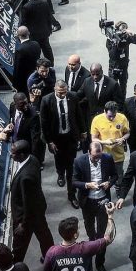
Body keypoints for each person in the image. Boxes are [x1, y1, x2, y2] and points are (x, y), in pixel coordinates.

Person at [72, 141, 118, 271]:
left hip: (103, 201)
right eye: (94, 157)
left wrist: (109, 183)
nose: (97, 159)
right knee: (90, 233)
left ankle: (99, 264)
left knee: (102, 235)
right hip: (87, 203)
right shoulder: (79, 161)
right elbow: (74, 181)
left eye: (99, 156)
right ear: (88, 152)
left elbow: (115, 176)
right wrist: (87, 185)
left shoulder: (108, 158)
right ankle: (90, 252)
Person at [40, 79, 86, 207]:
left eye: (64, 92)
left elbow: (79, 115)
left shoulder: (73, 97)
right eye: (60, 92)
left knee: (71, 166)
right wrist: (49, 141)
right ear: (55, 89)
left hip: (71, 137)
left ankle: (71, 194)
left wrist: (82, 131)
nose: (62, 95)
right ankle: (60, 174)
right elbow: (43, 123)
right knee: (59, 160)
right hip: (56, 138)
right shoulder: (46, 100)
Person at [9, 140, 54, 263]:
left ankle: (15, 268)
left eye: (13, 153)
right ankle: (50, 258)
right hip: (38, 208)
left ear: (22, 155)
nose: (10, 155)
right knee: (44, 235)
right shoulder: (32, 159)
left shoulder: (26, 178)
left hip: (26, 216)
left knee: (19, 245)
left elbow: (28, 202)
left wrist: (23, 224)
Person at [90, 101, 130, 197]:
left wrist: (123, 139)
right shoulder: (97, 120)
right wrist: (104, 142)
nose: (112, 118)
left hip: (118, 154)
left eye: (114, 115)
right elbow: (93, 138)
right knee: (103, 174)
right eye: (110, 116)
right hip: (103, 154)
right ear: (104, 111)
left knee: (119, 174)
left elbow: (127, 133)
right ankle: (103, 190)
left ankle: (118, 188)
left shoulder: (122, 118)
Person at [76, 63, 123, 130]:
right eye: (93, 74)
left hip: (107, 120)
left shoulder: (113, 84)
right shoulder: (87, 82)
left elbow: (119, 104)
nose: (95, 77)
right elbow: (79, 95)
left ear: (102, 72)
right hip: (91, 120)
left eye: (97, 74)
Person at [19, 0, 54, 64]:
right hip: (44, 31)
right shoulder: (45, 2)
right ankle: (51, 65)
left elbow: (24, 22)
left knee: (36, 52)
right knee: (47, 50)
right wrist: (49, 29)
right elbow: (49, 17)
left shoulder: (26, 7)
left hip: (33, 35)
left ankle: (39, 67)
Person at [105, 20, 136, 95]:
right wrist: (115, 43)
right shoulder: (110, 40)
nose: (123, 30)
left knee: (123, 88)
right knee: (112, 88)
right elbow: (112, 55)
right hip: (113, 68)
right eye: (122, 28)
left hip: (123, 67)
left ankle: (122, 103)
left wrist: (132, 34)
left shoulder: (127, 37)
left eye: (125, 28)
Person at [13, 26, 41, 94]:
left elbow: (17, 69)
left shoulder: (19, 50)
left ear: (18, 36)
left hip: (24, 80)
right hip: (36, 75)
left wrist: (15, 85)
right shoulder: (36, 44)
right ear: (29, 33)